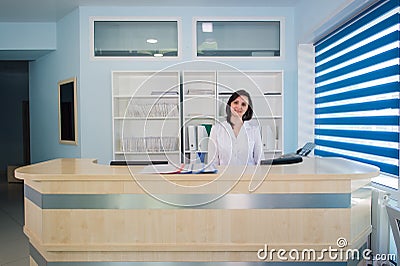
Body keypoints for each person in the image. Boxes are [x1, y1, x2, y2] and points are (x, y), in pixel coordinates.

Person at [207, 90, 264, 165]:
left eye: (243, 104)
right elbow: (212, 162)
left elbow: (260, 160)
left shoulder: (254, 130)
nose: (239, 107)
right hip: (225, 176)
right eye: (236, 102)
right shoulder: (216, 129)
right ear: (230, 104)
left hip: (249, 175)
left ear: (247, 109)